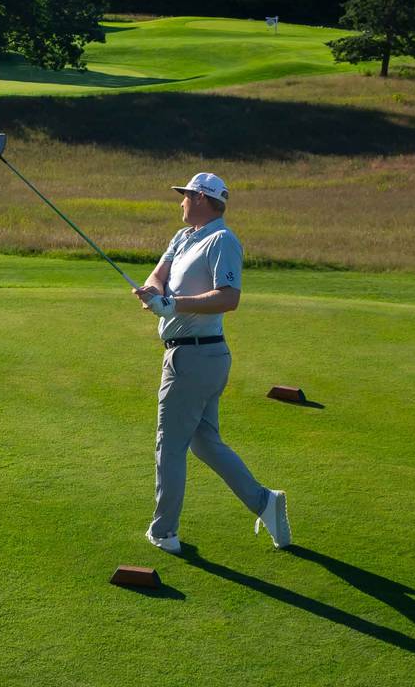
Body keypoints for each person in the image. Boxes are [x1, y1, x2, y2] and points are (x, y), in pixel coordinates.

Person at [132, 172, 290, 553]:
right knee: (203, 442)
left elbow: (228, 297)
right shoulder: (183, 237)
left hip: (196, 356)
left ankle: (164, 532)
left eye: (185, 196)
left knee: (168, 446)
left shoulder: (222, 240)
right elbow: (160, 273)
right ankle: (265, 502)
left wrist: (173, 304)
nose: (181, 202)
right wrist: (152, 290)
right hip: (191, 354)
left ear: (202, 198)